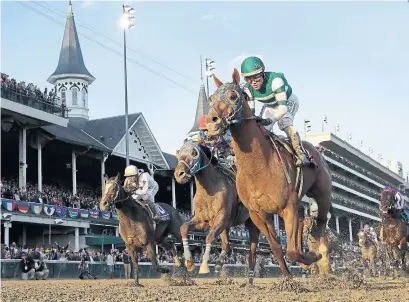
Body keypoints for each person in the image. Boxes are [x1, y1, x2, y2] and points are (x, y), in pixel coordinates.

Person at [240, 56, 311, 167]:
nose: (253, 82)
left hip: (287, 101)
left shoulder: (275, 81)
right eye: (249, 79)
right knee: (261, 129)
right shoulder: (248, 88)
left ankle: (300, 153)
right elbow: (251, 113)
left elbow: (283, 108)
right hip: (270, 104)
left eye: (256, 77)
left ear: (262, 73)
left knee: (284, 123)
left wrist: (269, 119)